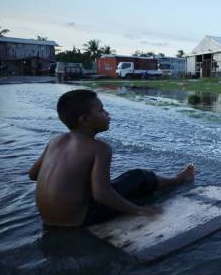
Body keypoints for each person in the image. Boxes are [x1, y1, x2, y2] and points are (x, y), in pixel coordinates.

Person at [29, 89, 196, 227]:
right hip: (80, 220)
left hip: (48, 219)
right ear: (85, 120)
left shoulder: (56, 141)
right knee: (138, 176)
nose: (107, 114)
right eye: (101, 110)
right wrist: (139, 211)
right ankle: (177, 179)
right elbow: (102, 195)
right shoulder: (99, 148)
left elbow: (33, 175)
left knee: (113, 183)